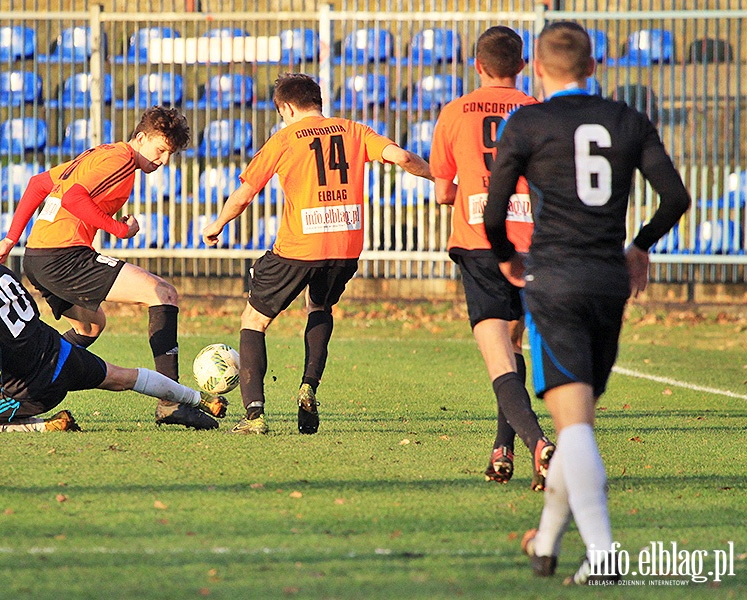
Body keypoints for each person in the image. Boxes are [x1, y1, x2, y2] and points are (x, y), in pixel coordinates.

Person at [483, 22, 690, 584]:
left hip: (553, 282)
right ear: (593, 68)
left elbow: (493, 212)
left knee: (573, 429)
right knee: (578, 424)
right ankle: (546, 544)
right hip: (606, 282)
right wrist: (640, 246)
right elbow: (675, 197)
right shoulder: (628, 120)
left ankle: (602, 555)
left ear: (541, 72)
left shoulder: (528, 121)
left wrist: (506, 257)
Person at [202, 73, 432, 435]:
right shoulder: (354, 130)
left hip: (300, 245)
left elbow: (245, 193)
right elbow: (401, 156)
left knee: (254, 320)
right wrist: (437, 177)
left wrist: (217, 224)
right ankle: (308, 386)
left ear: (288, 108)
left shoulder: (284, 138)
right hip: (345, 245)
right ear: (317, 101)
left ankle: (255, 416)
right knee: (320, 308)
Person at [0, 107, 214, 430]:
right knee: (163, 292)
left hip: (38, 257)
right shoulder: (120, 160)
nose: (163, 161)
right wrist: (119, 230)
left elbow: (38, 184)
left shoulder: (99, 154)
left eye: (170, 155)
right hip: (62, 256)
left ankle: (27, 381)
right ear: (141, 138)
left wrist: (10, 239)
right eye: (160, 151)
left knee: (91, 327)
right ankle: (171, 402)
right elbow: (74, 198)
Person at [0, 222, 228, 435]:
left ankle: (44, 426)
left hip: (32, 387)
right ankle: (199, 398)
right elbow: (28, 310)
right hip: (62, 353)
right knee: (124, 376)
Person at [429, 26, 555, 491]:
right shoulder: (540, 112)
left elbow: (443, 191)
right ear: (522, 67)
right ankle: (502, 450)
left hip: (480, 241)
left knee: (498, 356)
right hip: (530, 242)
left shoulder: (455, 111)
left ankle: (539, 444)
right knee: (515, 345)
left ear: (477, 66)